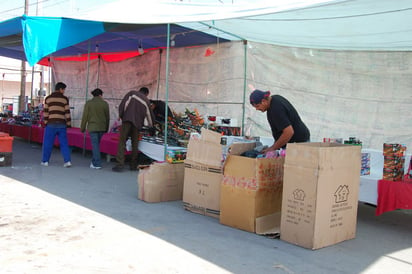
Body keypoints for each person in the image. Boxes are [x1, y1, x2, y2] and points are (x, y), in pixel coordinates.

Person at [112, 87, 155, 172]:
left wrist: (121, 115)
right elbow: (149, 115)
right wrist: (151, 126)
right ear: (146, 94)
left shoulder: (132, 93)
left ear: (140, 90)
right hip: (137, 124)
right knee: (135, 144)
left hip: (127, 120)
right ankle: (133, 165)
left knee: (122, 142)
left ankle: (120, 164)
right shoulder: (146, 101)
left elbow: (123, 104)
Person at [41, 82, 72, 167]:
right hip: (62, 124)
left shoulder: (48, 98)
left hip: (51, 124)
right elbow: (67, 113)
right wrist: (68, 123)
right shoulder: (65, 99)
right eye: (64, 90)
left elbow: (46, 113)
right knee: (64, 143)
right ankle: (67, 161)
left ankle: (45, 161)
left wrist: (45, 122)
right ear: (61, 89)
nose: (64, 91)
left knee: (48, 143)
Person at [80, 88, 110, 169]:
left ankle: (97, 163)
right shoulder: (105, 104)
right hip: (102, 127)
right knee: (96, 145)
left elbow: (85, 117)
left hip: (92, 127)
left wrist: (82, 128)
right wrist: (106, 128)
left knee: (95, 145)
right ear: (100, 95)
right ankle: (94, 162)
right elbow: (107, 117)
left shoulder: (89, 103)